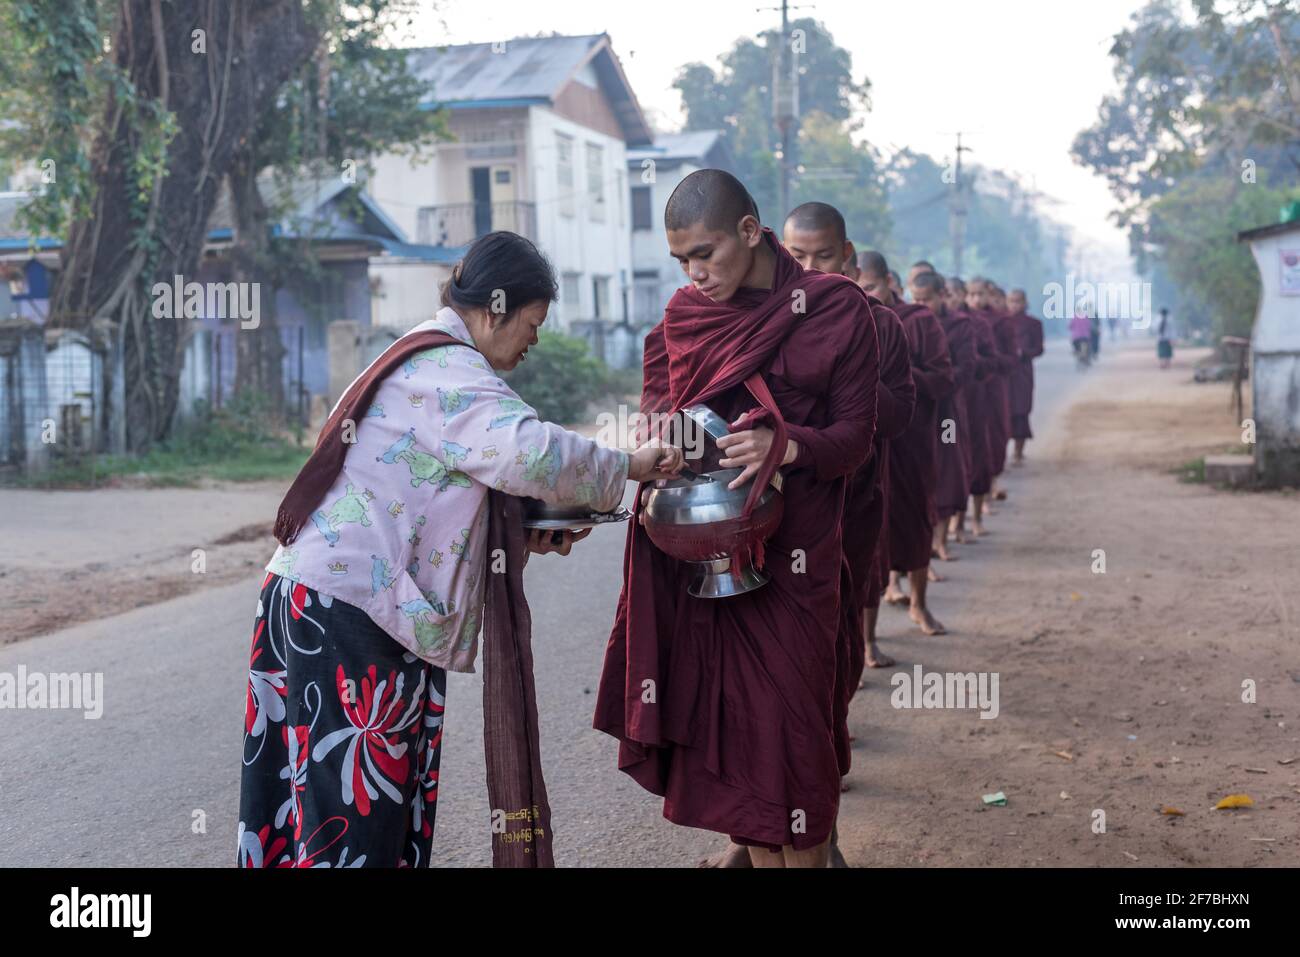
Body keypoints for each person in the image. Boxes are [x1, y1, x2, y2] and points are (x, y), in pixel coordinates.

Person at [238, 231, 683, 869]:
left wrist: (523, 531)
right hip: (350, 614)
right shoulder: (447, 369)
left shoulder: (416, 356)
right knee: (353, 818)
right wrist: (631, 464)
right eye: (531, 323)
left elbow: (450, 483)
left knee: (313, 805)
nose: (532, 341)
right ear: (495, 309)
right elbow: (527, 453)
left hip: (320, 601)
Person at [594, 169, 880, 868]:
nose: (695, 274)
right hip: (705, 556)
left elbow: (856, 437)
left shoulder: (836, 308)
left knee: (792, 732)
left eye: (706, 253)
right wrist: (663, 444)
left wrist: (786, 444)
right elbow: (657, 413)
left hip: (797, 558)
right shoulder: (681, 320)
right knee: (735, 734)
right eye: (682, 260)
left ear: (750, 232)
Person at [860, 251, 955, 635]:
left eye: (870, 287)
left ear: (890, 283)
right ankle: (868, 635)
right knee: (870, 530)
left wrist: (897, 370)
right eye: (857, 286)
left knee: (915, 516)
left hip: (912, 439)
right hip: (865, 443)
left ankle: (919, 604)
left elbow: (943, 377)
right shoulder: (845, 318)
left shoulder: (918, 321)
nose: (864, 294)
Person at [911, 271, 976, 562]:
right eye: (917, 299)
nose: (922, 305)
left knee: (948, 471)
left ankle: (941, 539)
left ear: (942, 296)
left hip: (947, 408)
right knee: (919, 475)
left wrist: (931, 380)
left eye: (927, 300)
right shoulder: (906, 320)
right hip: (915, 410)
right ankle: (923, 546)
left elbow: (964, 369)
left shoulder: (960, 326)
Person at [1005, 289, 1045, 464]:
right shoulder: (1001, 322)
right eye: (1011, 301)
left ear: (1025, 302)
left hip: (1023, 372)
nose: (1015, 305)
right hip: (1004, 372)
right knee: (1003, 411)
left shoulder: (1033, 323)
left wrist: (1024, 352)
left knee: (1021, 411)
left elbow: (1039, 349)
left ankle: (1018, 452)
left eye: (1018, 301)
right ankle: (1001, 452)